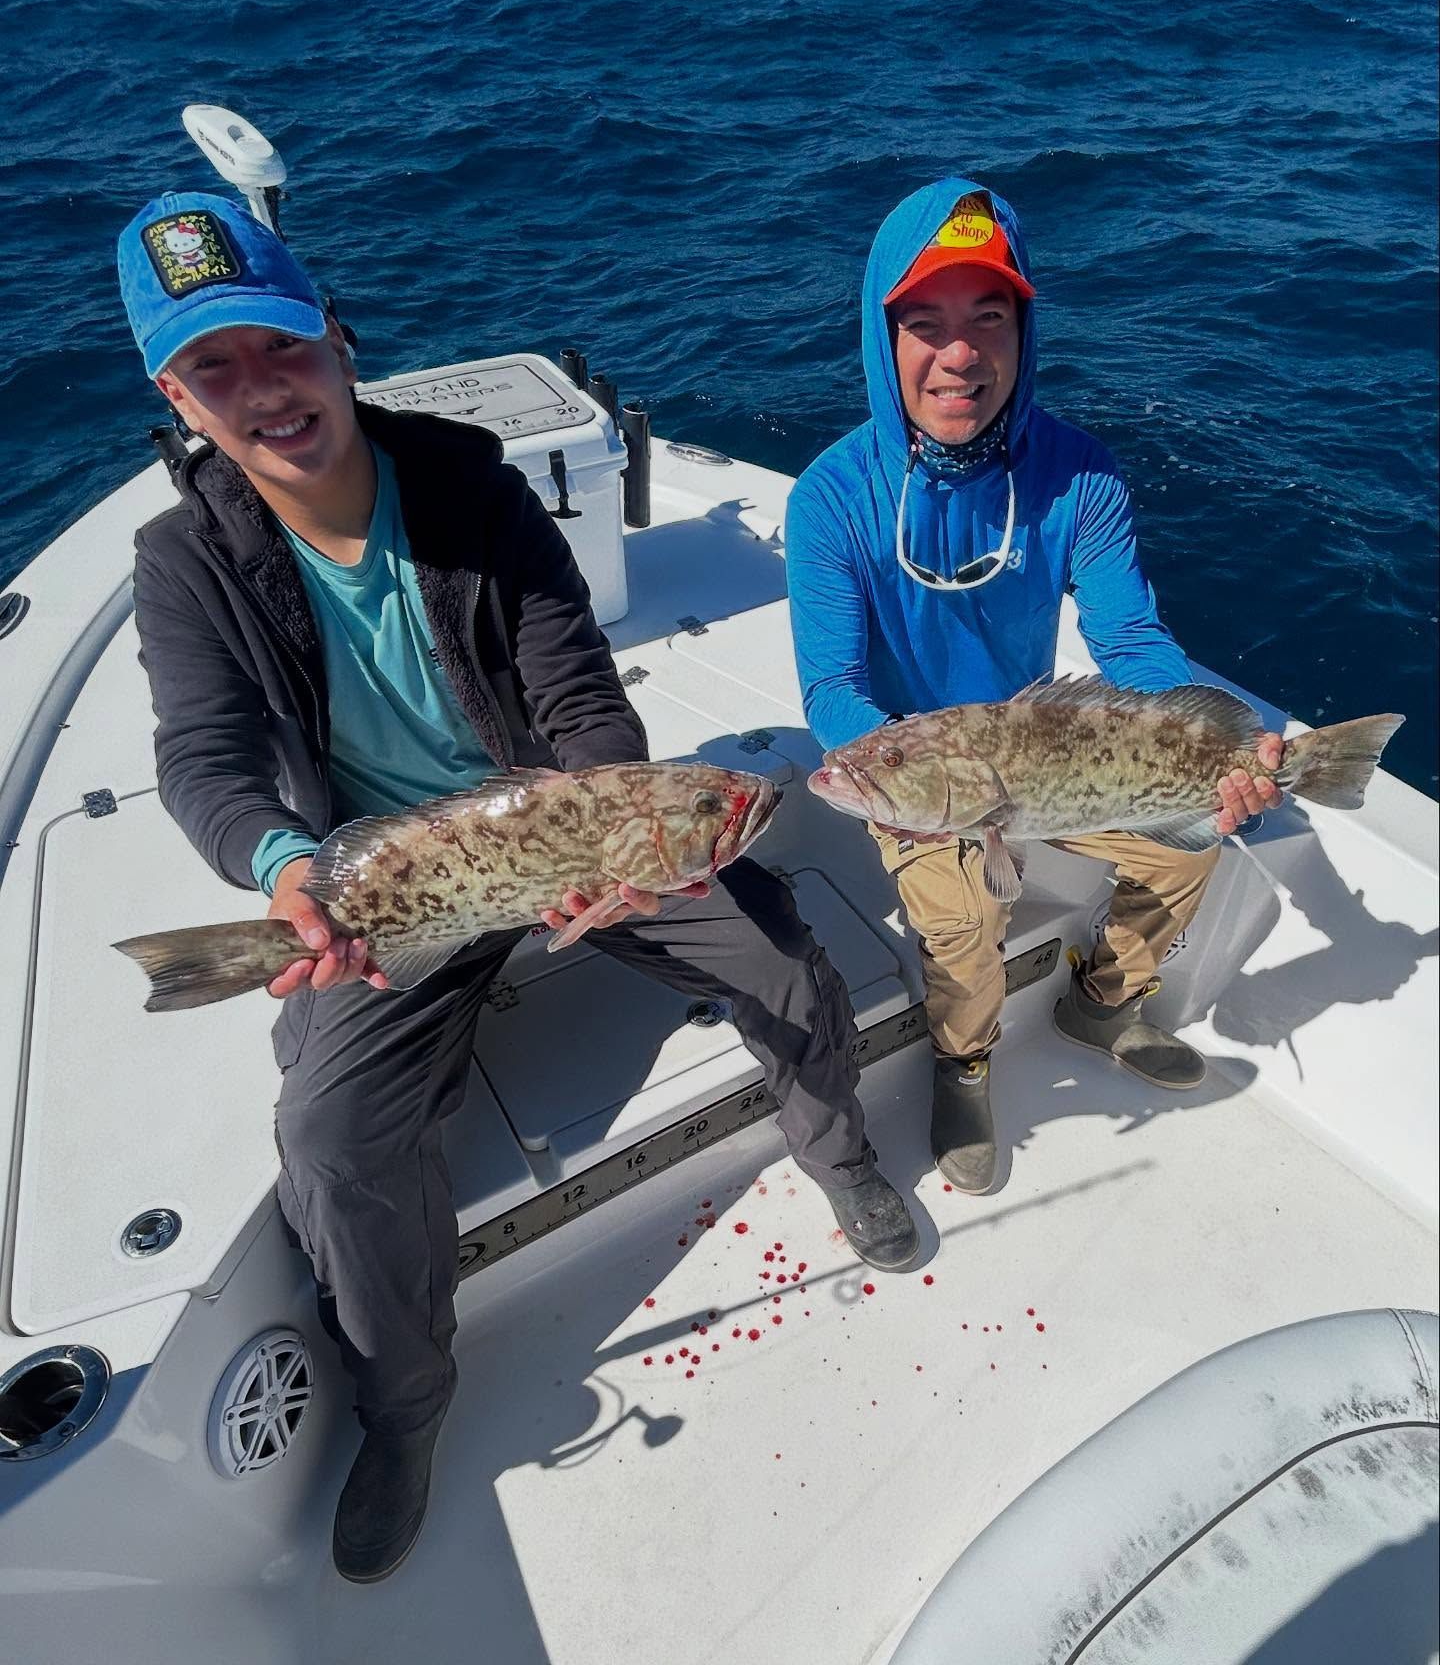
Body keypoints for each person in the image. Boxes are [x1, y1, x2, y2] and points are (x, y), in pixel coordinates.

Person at [116, 191, 918, 1584]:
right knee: (332, 1137)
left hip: (562, 837)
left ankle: (842, 1158)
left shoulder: (473, 490)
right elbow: (206, 752)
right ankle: (406, 1411)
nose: (265, 392)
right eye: (215, 369)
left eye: (281, 346)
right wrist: (286, 870)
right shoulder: (183, 563)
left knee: (784, 961)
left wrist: (611, 836)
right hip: (388, 881)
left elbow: (577, 691)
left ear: (336, 337)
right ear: (174, 396)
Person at [785, 179, 1282, 1198]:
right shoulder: (832, 497)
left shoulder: (1081, 476)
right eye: (925, 323)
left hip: (1047, 755)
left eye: (988, 318)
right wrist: (911, 772)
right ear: (885, 338)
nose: (959, 353)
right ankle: (964, 1061)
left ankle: (1103, 999)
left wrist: (1211, 751)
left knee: (1192, 852)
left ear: (1023, 330)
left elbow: (1131, 636)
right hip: (909, 766)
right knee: (964, 913)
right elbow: (833, 688)